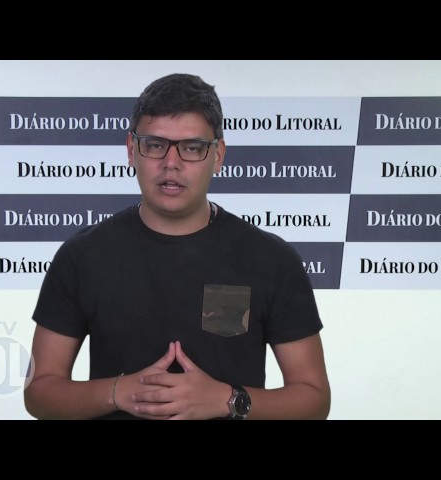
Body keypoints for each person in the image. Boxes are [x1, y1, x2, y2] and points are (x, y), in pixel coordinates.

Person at [24, 73, 331, 420]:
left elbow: (314, 399)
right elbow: (39, 392)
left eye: (192, 147)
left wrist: (226, 399)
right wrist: (118, 392)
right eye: (155, 145)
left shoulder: (271, 259)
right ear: (131, 150)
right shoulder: (82, 256)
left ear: (218, 155)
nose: (171, 162)